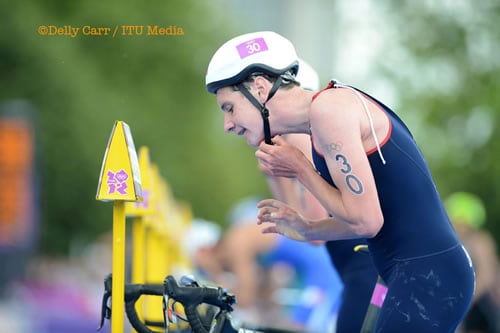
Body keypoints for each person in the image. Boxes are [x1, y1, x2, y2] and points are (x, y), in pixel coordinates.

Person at [205, 31, 475, 332]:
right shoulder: (323, 118)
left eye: (229, 108)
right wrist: (305, 228)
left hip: (428, 275)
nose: (227, 125)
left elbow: (365, 222)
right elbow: (360, 221)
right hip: (418, 273)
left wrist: (300, 168)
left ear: (259, 88)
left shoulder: (328, 111)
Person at [260, 58, 381, 333]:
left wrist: (279, 176)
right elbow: (298, 219)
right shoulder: (300, 136)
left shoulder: (301, 137)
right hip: (358, 266)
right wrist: (275, 176)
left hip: (363, 268)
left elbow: (312, 229)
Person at [219, 196, 343, 332]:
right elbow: (267, 295)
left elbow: (245, 299)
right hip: (323, 264)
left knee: (301, 329)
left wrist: (214, 278)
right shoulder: (255, 241)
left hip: (324, 272)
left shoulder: (237, 244)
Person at [445, 192, 500, 333]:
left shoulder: (479, 241)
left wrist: (464, 300)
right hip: (466, 302)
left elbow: (487, 276)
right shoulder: (454, 242)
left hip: (481, 303)